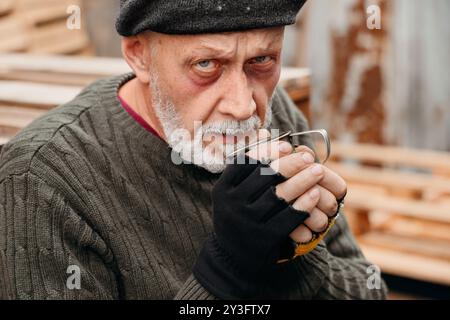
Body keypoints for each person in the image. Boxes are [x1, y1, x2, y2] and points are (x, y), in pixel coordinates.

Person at [0, 0, 387, 299]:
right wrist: (227, 275)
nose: (243, 106)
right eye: (206, 64)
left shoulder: (275, 114)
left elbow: (370, 290)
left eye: (262, 60)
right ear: (138, 55)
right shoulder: (40, 181)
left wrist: (293, 258)